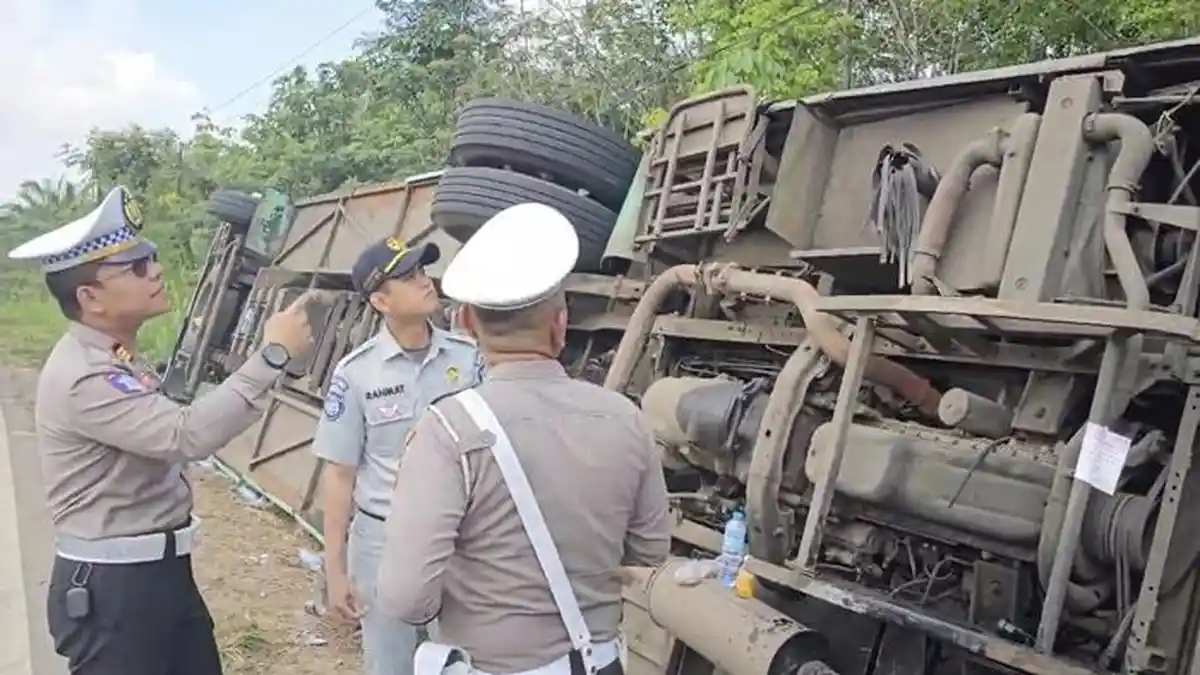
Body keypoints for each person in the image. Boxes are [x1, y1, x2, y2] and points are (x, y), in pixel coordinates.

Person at [7, 185, 316, 675]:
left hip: (159, 575)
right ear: (90, 297)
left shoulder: (117, 357)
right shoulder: (85, 374)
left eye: (150, 257)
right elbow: (184, 436)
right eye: (135, 267)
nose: (155, 271)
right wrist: (271, 355)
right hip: (115, 589)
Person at [374, 203, 672, 675]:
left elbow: (407, 599)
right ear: (560, 322)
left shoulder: (448, 429)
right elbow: (650, 555)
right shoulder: (626, 419)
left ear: (466, 323)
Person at [313, 235, 483, 675]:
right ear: (380, 301)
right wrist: (335, 570)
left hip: (460, 537)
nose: (424, 281)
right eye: (407, 277)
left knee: (464, 661)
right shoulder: (356, 374)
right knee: (391, 663)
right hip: (383, 541)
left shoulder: (468, 359)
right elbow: (339, 475)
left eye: (422, 271)